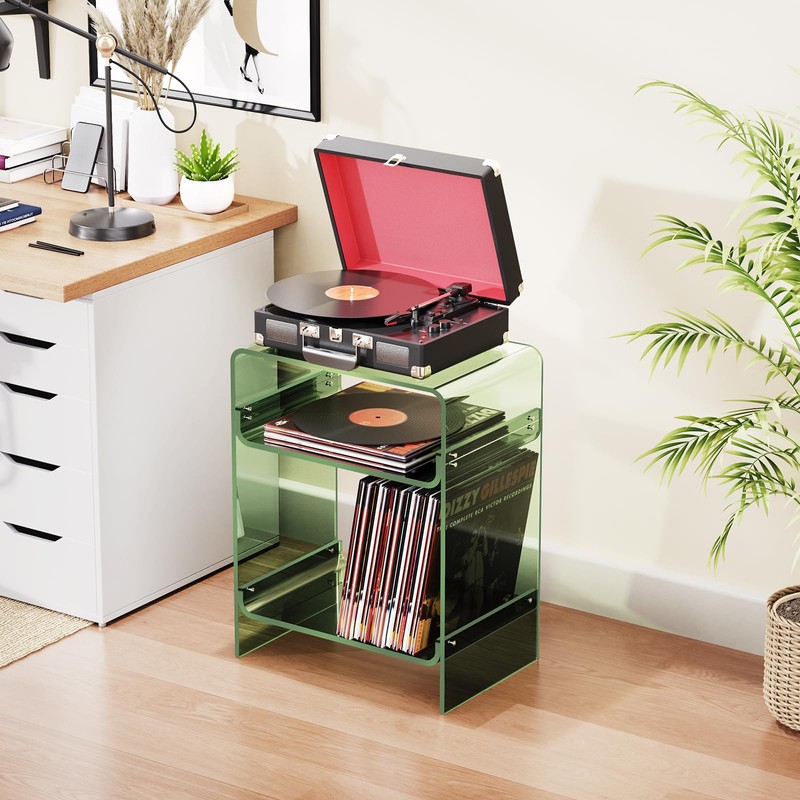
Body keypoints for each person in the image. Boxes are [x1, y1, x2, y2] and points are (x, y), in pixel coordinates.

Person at [224, 0, 264, 94]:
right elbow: (226, 1)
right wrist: (234, 13)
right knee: (254, 47)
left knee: (251, 45)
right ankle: (260, 79)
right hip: (244, 18)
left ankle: (243, 66)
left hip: (251, 17)